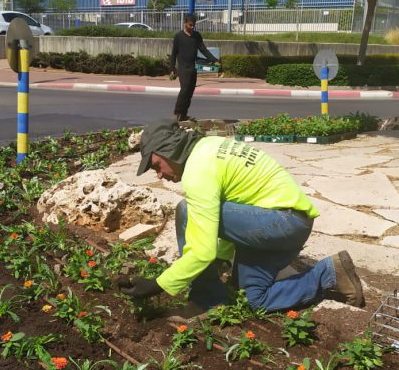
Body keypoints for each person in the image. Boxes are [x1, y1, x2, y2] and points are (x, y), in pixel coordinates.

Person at [117, 119, 365, 312]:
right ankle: (331, 273)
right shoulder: (209, 146)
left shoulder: (197, 171)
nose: (159, 175)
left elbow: (202, 250)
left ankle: (207, 299)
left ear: (168, 150)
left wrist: (158, 285)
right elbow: (233, 207)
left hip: (279, 222)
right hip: (286, 223)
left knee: (186, 210)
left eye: (156, 166)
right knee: (254, 299)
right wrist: (223, 259)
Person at [169, 14, 219, 123]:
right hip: (182, 67)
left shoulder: (196, 36)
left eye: (194, 25)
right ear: (185, 23)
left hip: (192, 67)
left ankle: (183, 115)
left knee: (190, 91)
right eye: (190, 25)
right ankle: (177, 113)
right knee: (185, 90)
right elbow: (173, 54)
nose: (192, 27)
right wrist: (172, 69)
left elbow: (203, 50)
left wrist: (214, 59)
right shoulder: (179, 36)